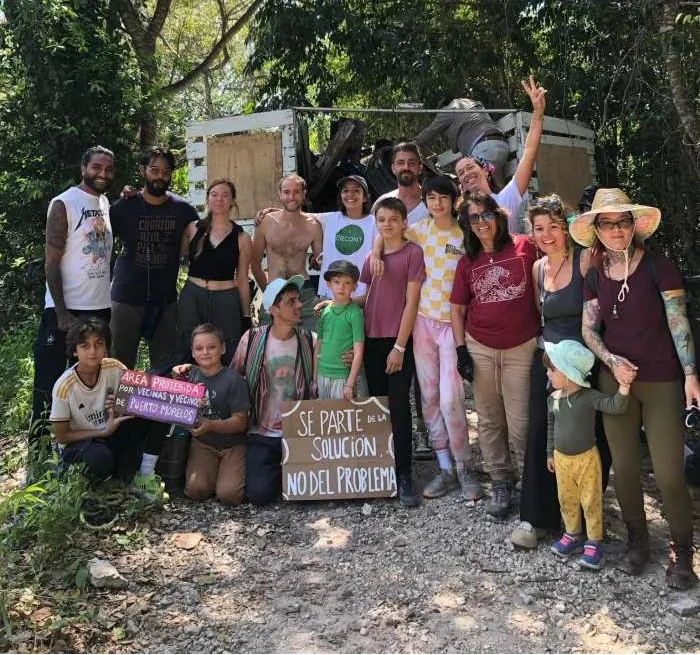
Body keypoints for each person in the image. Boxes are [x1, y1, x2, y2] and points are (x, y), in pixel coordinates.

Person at [576, 187, 699, 589]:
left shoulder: (657, 266)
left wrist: (691, 375)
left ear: (634, 225)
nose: (616, 230)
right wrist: (611, 361)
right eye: (607, 223)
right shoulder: (594, 273)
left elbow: (679, 322)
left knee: (667, 474)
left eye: (623, 221)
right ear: (596, 229)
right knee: (625, 470)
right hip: (617, 384)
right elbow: (589, 327)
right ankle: (638, 543)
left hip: (662, 379)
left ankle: (682, 553)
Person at [511, 194, 611, 549]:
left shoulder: (586, 261)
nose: (547, 234)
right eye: (539, 228)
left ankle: (589, 520)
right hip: (550, 363)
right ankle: (538, 518)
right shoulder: (538, 268)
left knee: (589, 440)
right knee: (541, 435)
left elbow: (599, 319)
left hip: (584, 365)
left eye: (554, 226)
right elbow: (542, 318)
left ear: (567, 227)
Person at [377, 175, 481, 500]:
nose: (437, 204)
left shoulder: (465, 234)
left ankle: (466, 467)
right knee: (430, 398)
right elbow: (386, 232)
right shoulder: (419, 230)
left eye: (443, 198)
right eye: (431, 198)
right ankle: (445, 467)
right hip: (422, 324)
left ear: (454, 199)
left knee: (452, 399)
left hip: (453, 324)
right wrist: (374, 253)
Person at [450, 193, 539, 518]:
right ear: (468, 226)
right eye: (474, 218)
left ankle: (531, 483)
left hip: (521, 346)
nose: (482, 222)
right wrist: (461, 350)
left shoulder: (525, 248)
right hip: (481, 347)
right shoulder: (466, 263)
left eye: (486, 215)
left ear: (499, 216)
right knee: (488, 420)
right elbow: (457, 309)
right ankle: (500, 481)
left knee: (520, 423)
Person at [31, 146, 115, 459]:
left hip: (99, 309)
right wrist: (62, 313)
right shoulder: (63, 203)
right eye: (97, 167)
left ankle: (78, 453)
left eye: (108, 169)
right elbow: (51, 262)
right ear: (83, 168)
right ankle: (39, 457)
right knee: (49, 384)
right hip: (65, 310)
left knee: (89, 383)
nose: (103, 174)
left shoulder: (105, 203)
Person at [544, 340, 633, 571]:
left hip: (586, 459)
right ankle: (572, 535)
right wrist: (549, 453)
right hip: (561, 459)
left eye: (552, 369)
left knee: (591, 501)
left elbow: (614, 406)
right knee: (567, 499)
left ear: (567, 373)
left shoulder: (589, 397)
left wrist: (624, 388)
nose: (548, 373)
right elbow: (551, 426)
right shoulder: (552, 399)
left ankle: (595, 542)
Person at [360, 197, 425, 506]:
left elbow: (411, 302)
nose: (387, 224)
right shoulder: (371, 258)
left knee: (399, 408)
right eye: (381, 219)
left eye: (392, 219)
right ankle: (379, 470)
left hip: (397, 341)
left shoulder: (413, 253)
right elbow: (362, 297)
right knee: (377, 406)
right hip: (370, 340)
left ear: (404, 223)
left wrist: (400, 346)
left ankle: (403, 473)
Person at [110, 147, 199, 370]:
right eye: (154, 170)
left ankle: (155, 406)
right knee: (119, 366)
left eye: (166, 172)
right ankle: (118, 407)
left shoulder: (184, 210)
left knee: (165, 367)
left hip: (165, 302)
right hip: (126, 300)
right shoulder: (123, 207)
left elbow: (199, 246)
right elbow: (100, 245)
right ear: (143, 170)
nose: (160, 176)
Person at [232, 276, 316, 506]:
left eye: (298, 300)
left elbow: (327, 376)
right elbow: (232, 379)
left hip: (299, 434)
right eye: (291, 301)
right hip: (262, 433)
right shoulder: (251, 340)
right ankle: (279, 472)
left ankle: (287, 472)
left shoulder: (311, 340)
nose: (299, 305)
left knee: (307, 494)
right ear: (273, 309)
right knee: (259, 496)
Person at [50, 318, 140, 482]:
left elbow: (137, 400)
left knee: (138, 423)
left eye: (98, 344)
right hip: (81, 442)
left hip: (112, 432)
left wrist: (122, 404)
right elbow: (62, 436)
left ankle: (132, 477)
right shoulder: (64, 386)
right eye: (85, 346)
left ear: (105, 346)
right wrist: (103, 431)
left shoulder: (115, 367)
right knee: (100, 458)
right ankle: (74, 475)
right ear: (75, 350)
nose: (93, 351)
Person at [454, 75, 547, 233]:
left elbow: (529, 153)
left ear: (485, 169)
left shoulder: (505, 199)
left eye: (470, 167)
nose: (466, 173)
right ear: (461, 183)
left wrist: (538, 112)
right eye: (461, 172)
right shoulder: (462, 216)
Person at [177, 178, 252, 366]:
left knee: (228, 351)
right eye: (214, 194)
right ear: (207, 199)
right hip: (193, 295)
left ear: (233, 201)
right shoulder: (193, 229)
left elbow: (242, 279)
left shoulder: (242, 237)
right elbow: (174, 258)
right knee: (190, 349)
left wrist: (246, 316)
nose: (219, 199)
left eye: (225, 195)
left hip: (226, 299)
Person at [172, 324, 249, 506]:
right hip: (203, 443)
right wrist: (176, 375)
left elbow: (241, 422)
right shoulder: (190, 375)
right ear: (192, 352)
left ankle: (226, 476)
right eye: (199, 348)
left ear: (222, 348)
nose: (205, 352)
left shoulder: (233, 380)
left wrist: (211, 425)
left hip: (233, 445)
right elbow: (170, 397)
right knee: (196, 490)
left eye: (211, 347)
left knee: (229, 496)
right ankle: (213, 475)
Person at [252, 174, 323, 331]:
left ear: (304, 194)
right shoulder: (265, 222)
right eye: (286, 192)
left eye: (296, 192)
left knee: (311, 344)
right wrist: (268, 290)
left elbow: (320, 262)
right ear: (280, 194)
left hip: (303, 291)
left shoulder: (313, 225)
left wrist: (317, 261)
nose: (291, 196)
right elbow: (255, 263)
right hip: (274, 288)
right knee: (269, 345)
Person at [415, 97, 509, 187]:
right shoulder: (472, 103)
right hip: (501, 144)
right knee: (498, 190)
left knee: (477, 192)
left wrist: (414, 142)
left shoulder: (448, 110)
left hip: (483, 148)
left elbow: (431, 130)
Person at [316, 175, 376, 299]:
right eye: (346, 191)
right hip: (330, 296)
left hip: (360, 297)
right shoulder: (331, 219)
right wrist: (277, 211)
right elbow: (303, 217)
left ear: (365, 197)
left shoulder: (375, 223)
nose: (350, 194)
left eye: (356, 191)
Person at [315, 261, 366, 400]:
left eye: (347, 283)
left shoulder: (354, 314)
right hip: (322, 374)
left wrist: (350, 383)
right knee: (324, 417)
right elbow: (319, 345)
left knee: (342, 418)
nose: (341, 287)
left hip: (343, 376)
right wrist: (314, 378)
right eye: (336, 282)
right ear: (329, 284)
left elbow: (358, 351)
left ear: (355, 286)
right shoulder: (325, 311)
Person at [371, 143, 429, 225]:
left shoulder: (434, 204)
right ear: (393, 168)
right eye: (401, 163)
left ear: (420, 168)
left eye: (411, 163)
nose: (406, 167)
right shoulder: (382, 202)